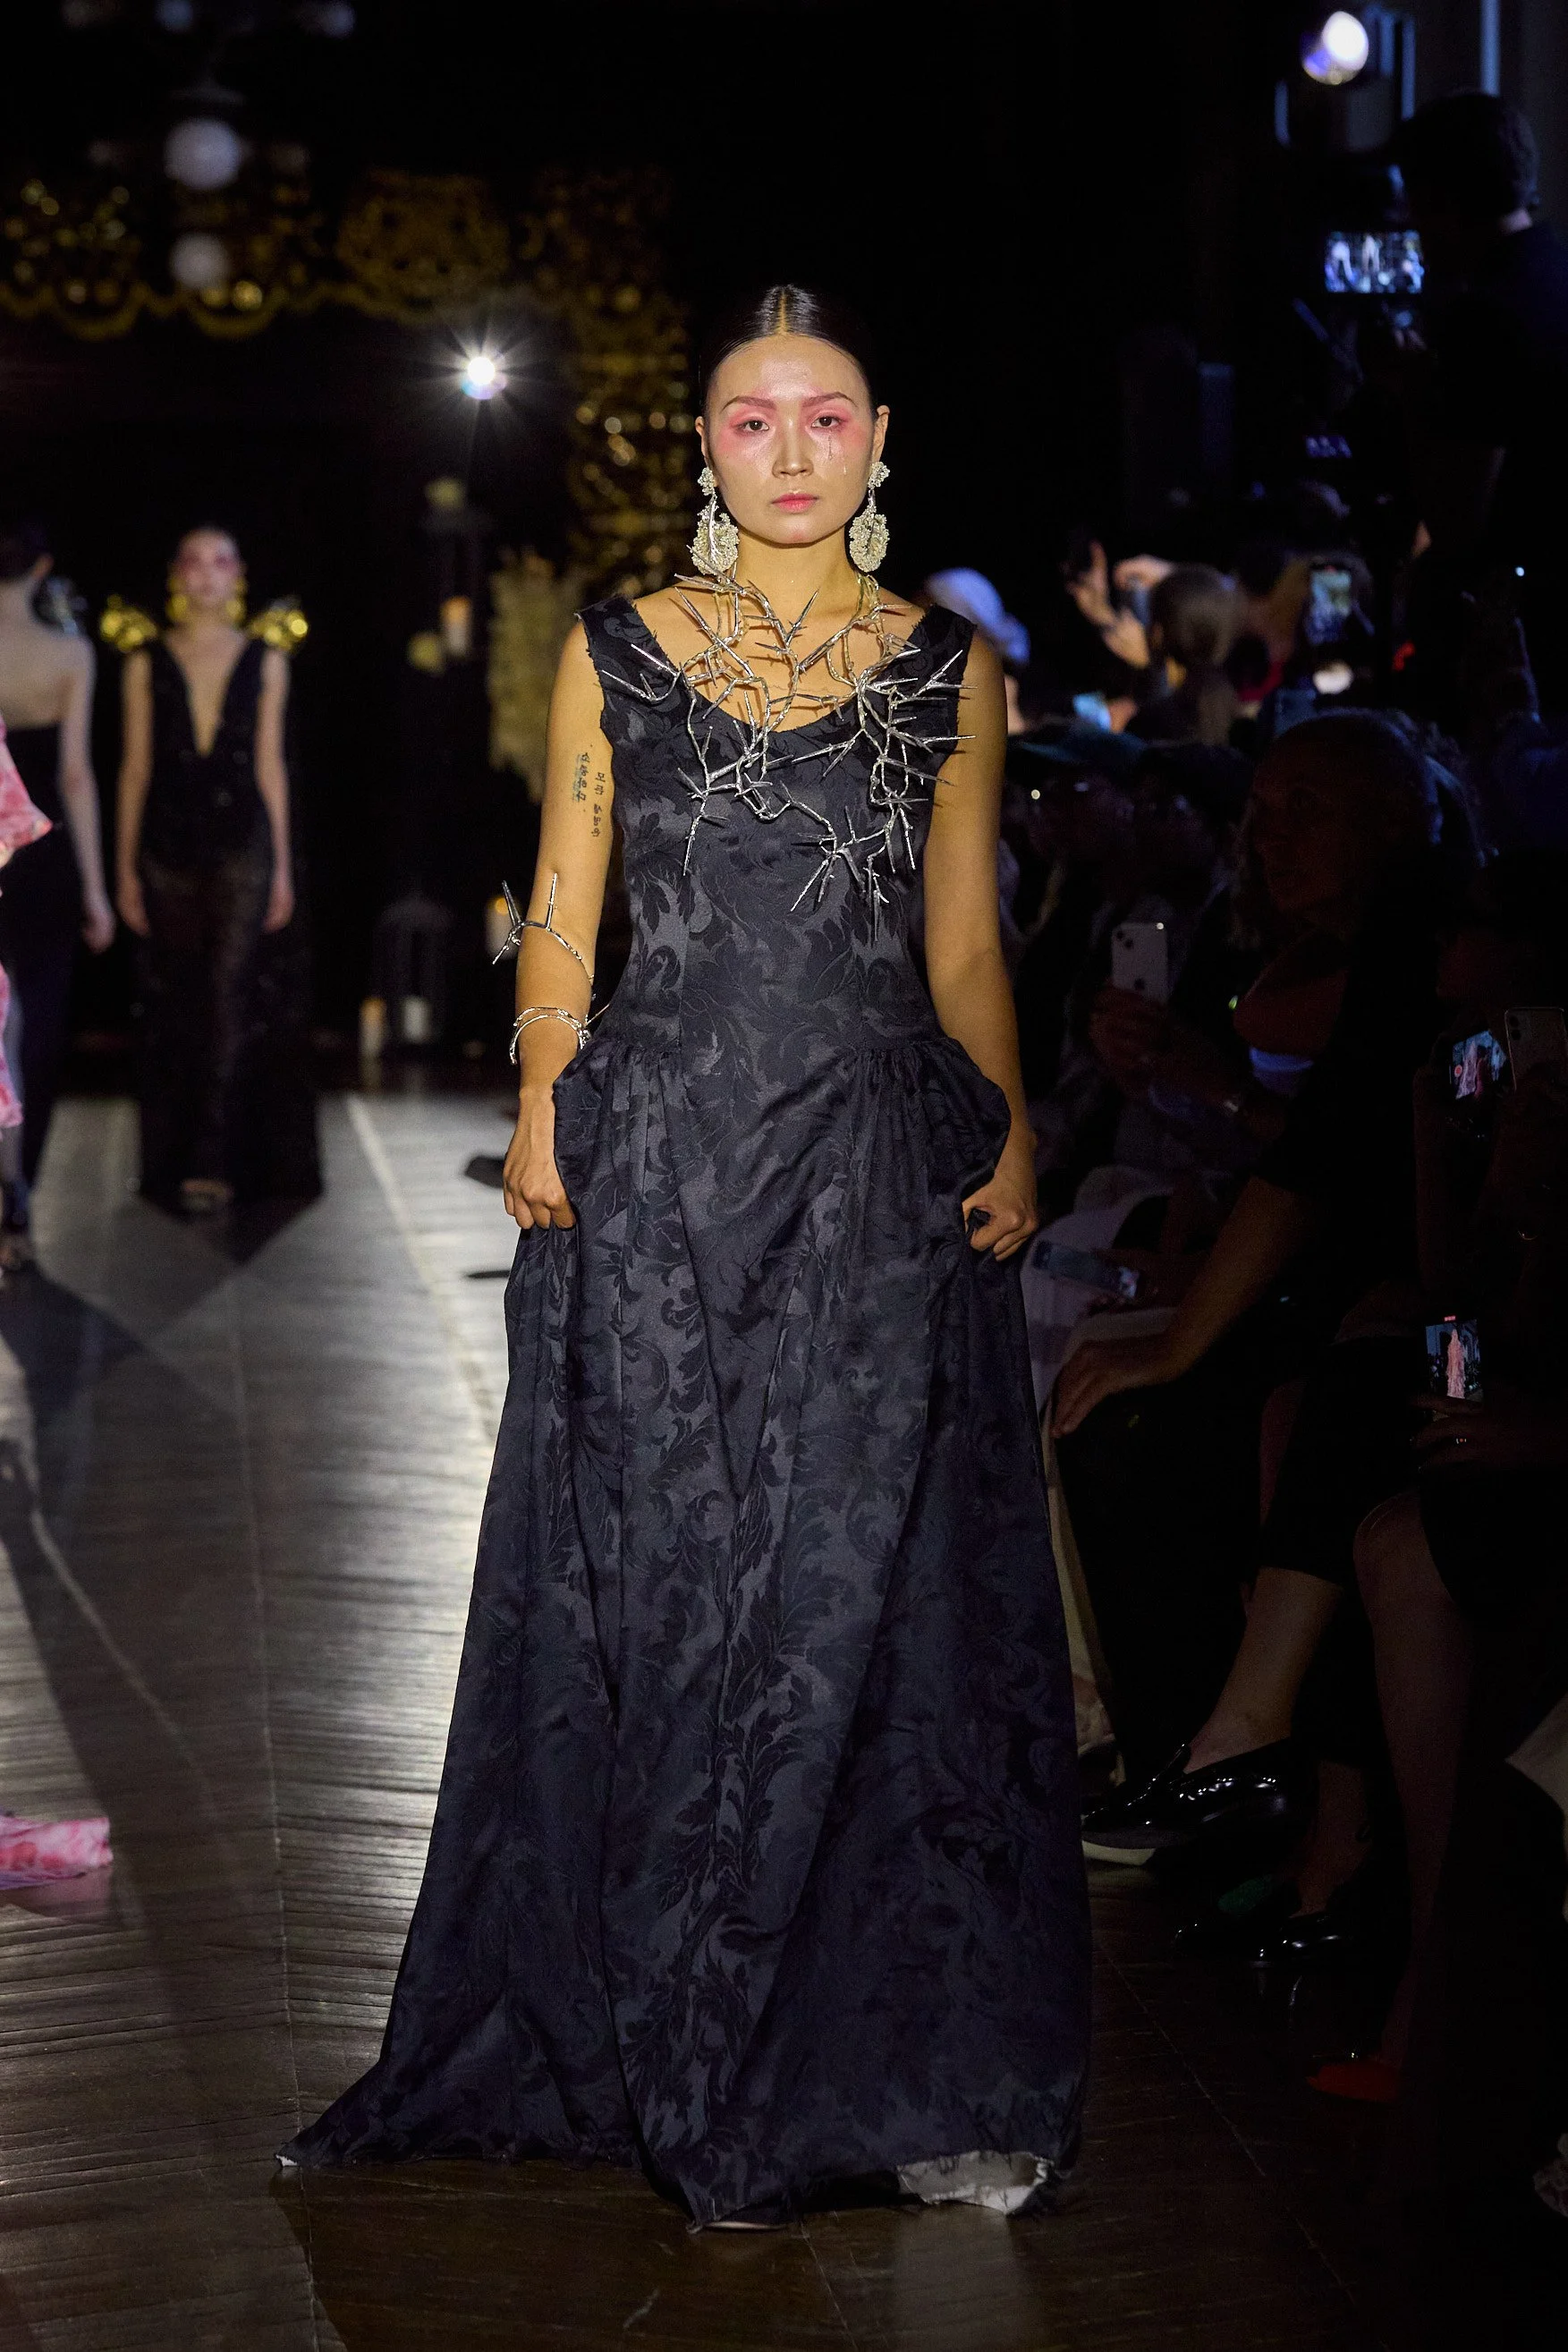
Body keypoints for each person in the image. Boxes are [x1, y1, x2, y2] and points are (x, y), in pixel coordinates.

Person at [282, 285, 1090, 2225]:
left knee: (854, 1607)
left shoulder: (949, 668)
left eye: (825, 414)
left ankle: (836, 2052)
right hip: (656, 1169)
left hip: (873, 1175)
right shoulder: (621, 650)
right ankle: (653, 2031)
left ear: (877, 442)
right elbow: (563, 904)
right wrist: (541, 1095)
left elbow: (960, 939)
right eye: (751, 418)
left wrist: (1011, 1124)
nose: (790, 447)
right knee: (666, 1600)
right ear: (707, 449)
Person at [114, 528, 295, 1212]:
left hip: (242, 845)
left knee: (227, 996)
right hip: (167, 847)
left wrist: (282, 867)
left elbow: (271, 765)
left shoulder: (265, 660)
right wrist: (124, 868)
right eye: (193, 560)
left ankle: (212, 1156)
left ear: (238, 574)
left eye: (219, 561)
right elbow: (134, 769)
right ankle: (171, 1153)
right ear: (176, 574)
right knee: (177, 1001)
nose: (206, 574)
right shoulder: (145, 662)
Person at [1394, 94, 1568, 710]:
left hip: (1522, 648)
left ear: (1444, 198)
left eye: (1415, 197)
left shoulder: (1484, 317)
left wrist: (1414, 391)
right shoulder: (1554, 275)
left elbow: (1455, 523)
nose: (1409, 219)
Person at [0, 522, 114, 1261]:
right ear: (41, 567)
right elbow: (75, 775)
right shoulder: (68, 654)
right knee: (34, 1027)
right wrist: (97, 890)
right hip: (39, 857)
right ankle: (16, 1198)